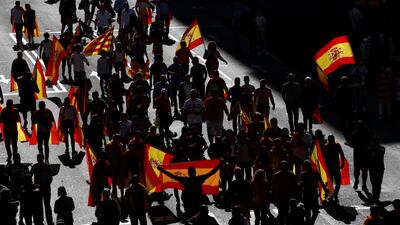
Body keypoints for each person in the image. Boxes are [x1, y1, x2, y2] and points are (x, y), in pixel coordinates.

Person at [298, 160, 327, 225]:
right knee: (314, 211)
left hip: (307, 195)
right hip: (313, 195)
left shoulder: (303, 174)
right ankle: (311, 222)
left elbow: (299, 185)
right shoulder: (315, 173)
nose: (303, 167)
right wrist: (325, 191)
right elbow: (321, 183)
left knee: (308, 211)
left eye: (304, 166)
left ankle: (310, 222)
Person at [348, 120, 373, 190]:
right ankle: (359, 182)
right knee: (359, 170)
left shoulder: (366, 133)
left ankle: (363, 184)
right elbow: (351, 144)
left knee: (362, 171)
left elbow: (371, 143)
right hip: (360, 155)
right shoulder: (355, 134)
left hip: (362, 155)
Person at [271, 161, 297, 225]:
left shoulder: (276, 175)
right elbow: (295, 186)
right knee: (288, 213)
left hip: (280, 196)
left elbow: (273, 187)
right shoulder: (291, 174)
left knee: (281, 213)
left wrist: (273, 197)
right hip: (289, 196)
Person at [31, 153, 54, 225]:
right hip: (45, 187)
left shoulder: (34, 166)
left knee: (38, 205)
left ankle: (40, 220)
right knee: (47, 204)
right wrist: (48, 183)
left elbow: (29, 175)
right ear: (43, 158)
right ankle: (49, 221)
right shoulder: (47, 166)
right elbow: (50, 177)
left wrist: (33, 185)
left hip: (37, 188)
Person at [322, 135, 345, 203]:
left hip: (334, 167)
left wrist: (342, 162)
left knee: (336, 182)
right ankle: (332, 194)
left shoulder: (335, 146)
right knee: (332, 182)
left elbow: (341, 153)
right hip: (331, 167)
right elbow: (321, 157)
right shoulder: (326, 146)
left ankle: (334, 194)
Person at [0, 99, 21, 164]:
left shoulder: (4, 110)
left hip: (7, 130)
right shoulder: (15, 111)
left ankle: (10, 156)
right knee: (13, 144)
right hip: (13, 130)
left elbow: (1, 120)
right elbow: (18, 120)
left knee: (8, 144)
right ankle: (14, 156)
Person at [369, 136, 385, 203]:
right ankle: (375, 197)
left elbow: (381, 151)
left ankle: (376, 197)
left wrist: (374, 147)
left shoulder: (382, 148)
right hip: (373, 168)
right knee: (373, 183)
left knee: (378, 183)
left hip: (379, 168)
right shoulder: (370, 149)